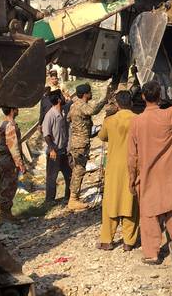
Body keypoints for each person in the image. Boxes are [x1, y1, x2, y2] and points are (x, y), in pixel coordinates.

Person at [128, 57, 172, 264]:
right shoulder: (171, 115)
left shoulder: (137, 123)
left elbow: (131, 156)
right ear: (160, 97)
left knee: (149, 214)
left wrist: (131, 180)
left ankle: (151, 254)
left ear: (143, 97)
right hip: (171, 175)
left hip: (148, 176)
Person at [97, 91, 138, 252]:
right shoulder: (137, 120)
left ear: (118, 104)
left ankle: (107, 240)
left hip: (113, 168)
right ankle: (129, 241)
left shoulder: (110, 120)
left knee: (110, 204)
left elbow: (101, 136)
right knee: (131, 204)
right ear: (131, 103)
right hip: (132, 167)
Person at [66, 83, 111, 211]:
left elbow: (69, 118)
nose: (91, 94)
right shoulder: (81, 106)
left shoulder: (73, 106)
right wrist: (105, 99)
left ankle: (73, 198)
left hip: (76, 142)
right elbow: (93, 110)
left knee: (76, 170)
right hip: (81, 143)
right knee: (79, 171)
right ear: (85, 94)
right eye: (90, 92)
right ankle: (73, 199)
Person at [0, 107, 27, 222]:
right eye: (16, 108)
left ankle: (7, 213)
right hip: (8, 160)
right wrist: (19, 163)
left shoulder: (8, 123)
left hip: (7, 159)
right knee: (8, 186)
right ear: (12, 110)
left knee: (10, 185)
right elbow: (13, 146)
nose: (18, 110)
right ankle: (4, 215)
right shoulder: (9, 125)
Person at [42, 93, 72, 204]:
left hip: (63, 150)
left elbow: (71, 103)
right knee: (51, 177)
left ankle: (68, 197)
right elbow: (46, 134)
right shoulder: (50, 115)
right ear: (59, 100)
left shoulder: (63, 112)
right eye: (62, 96)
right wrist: (52, 149)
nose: (64, 98)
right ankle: (49, 200)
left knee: (69, 175)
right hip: (55, 152)